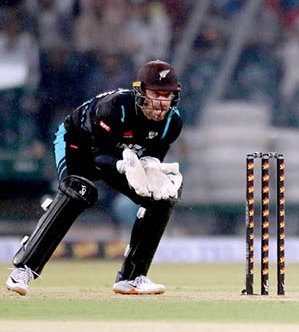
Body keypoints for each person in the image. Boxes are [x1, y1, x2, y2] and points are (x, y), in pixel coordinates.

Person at [6, 60, 184, 296]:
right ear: (140, 92)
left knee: (162, 199)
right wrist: (122, 165)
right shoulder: (114, 107)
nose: (161, 103)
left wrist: (150, 170)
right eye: (155, 94)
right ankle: (23, 269)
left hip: (122, 156)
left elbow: (151, 158)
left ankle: (132, 277)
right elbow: (97, 157)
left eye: (167, 95)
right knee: (78, 191)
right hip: (77, 143)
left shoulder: (173, 122)